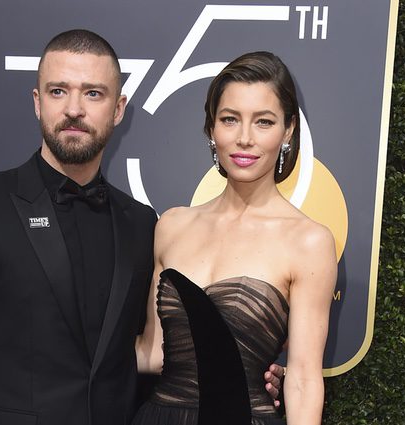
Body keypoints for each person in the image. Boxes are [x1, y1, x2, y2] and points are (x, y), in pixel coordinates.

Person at [0, 30, 283, 425]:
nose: (74, 109)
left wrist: (244, 374)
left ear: (118, 109)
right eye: (58, 91)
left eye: (93, 93)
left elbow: (159, 351)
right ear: (37, 103)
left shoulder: (141, 223)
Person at [133, 51, 337, 425]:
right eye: (230, 119)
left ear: (288, 130)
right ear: (212, 128)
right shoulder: (172, 225)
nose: (245, 139)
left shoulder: (309, 241)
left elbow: (305, 380)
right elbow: (153, 352)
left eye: (264, 122)